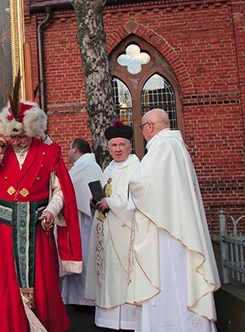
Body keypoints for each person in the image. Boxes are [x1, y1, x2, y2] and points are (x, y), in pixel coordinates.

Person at [0, 100, 82, 332]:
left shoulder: (49, 153)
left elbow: (60, 190)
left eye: (22, 136)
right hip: (3, 234)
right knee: (3, 284)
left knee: (42, 283)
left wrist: (51, 210)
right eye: (13, 136)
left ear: (33, 131)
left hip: (36, 231)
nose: (16, 142)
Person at [128, 109, 220, 331]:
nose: (143, 132)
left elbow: (143, 186)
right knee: (183, 280)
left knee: (169, 280)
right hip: (179, 227)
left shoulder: (162, 148)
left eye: (142, 127)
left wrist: (129, 188)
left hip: (166, 232)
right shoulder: (177, 146)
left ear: (149, 126)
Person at [84, 120, 141, 329]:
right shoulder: (107, 169)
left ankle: (127, 322)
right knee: (106, 275)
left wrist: (112, 203)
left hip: (124, 235)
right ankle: (107, 321)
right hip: (106, 234)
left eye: (122, 144)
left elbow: (139, 199)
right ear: (108, 147)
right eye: (114, 145)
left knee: (122, 276)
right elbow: (105, 194)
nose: (118, 149)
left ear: (130, 146)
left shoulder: (136, 168)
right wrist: (96, 202)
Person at [61, 138, 102, 307]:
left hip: (83, 222)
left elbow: (66, 188)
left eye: (69, 149)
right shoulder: (91, 165)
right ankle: (76, 296)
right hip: (82, 218)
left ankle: (84, 298)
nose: (68, 153)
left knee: (84, 258)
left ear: (76, 149)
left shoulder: (84, 166)